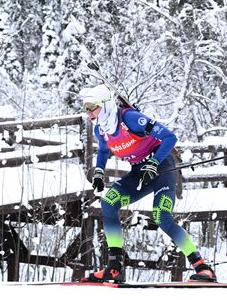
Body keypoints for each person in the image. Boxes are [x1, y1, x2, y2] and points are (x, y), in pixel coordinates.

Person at [80, 84, 216, 283]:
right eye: (85, 108)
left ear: (106, 105)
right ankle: (114, 266)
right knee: (108, 202)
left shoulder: (130, 119)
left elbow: (170, 137)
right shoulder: (101, 129)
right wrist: (99, 172)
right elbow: (102, 150)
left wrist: (153, 162)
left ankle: (202, 267)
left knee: (162, 217)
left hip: (162, 168)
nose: (89, 112)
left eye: (92, 107)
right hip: (140, 173)